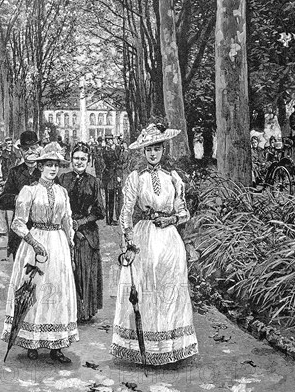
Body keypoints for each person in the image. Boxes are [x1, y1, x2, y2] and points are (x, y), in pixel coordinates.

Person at [111, 123, 198, 366]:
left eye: (157, 148)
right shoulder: (135, 178)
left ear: (163, 150)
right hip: (145, 239)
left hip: (169, 239)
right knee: (147, 289)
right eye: (148, 149)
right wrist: (128, 242)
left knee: (170, 289)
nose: (152, 153)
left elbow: (184, 212)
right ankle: (147, 349)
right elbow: (126, 213)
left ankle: (170, 348)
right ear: (143, 152)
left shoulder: (173, 178)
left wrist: (172, 218)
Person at [1, 142, 78, 363]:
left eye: (56, 165)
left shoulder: (63, 192)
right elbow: (17, 223)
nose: (53, 169)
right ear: (41, 166)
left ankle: (56, 345)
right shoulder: (29, 190)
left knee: (58, 292)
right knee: (36, 292)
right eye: (48, 164)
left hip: (58, 245)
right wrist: (33, 242)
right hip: (36, 243)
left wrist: (70, 247)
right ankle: (32, 342)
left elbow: (67, 221)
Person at [58, 142, 105, 322]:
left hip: (87, 232)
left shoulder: (94, 182)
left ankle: (84, 310)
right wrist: (69, 224)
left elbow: (99, 211)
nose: (79, 162)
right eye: (76, 158)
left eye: (83, 159)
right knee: (67, 269)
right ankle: (68, 309)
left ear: (88, 161)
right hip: (65, 229)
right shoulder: (62, 179)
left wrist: (82, 222)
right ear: (71, 160)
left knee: (84, 269)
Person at [0, 131, 42, 258]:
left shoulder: (47, 171)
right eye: (26, 149)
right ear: (21, 151)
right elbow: (2, 201)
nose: (30, 152)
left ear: (38, 149)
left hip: (41, 232)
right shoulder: (15, 172)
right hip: (20, 234)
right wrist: (18, 198)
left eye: (33, 148)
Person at [101, 133, 123, 225]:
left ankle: (111, 219)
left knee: (113, 197)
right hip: (108, 176)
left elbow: (119, 161)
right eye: (107, 140)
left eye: (110, 139)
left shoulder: (117, 148)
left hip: (113, 176)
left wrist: (118, 175)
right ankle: (109, 220)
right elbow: (106, 161)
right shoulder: (105, 150)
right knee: (108, 198)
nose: (109, 141)